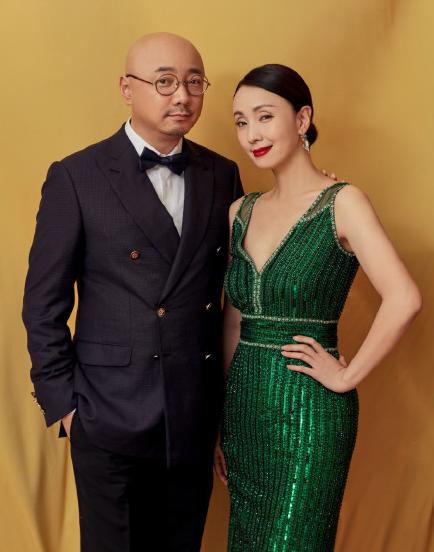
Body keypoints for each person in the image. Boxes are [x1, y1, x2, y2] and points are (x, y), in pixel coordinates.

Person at [22, 32, 244, 551]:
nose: (182, 96)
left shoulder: (222, 173)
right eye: (165, 82)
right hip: (107, 411)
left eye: (194, 82)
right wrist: (67, 408)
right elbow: (43, 304)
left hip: (193, 410)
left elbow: (234, 292)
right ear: (127, 88)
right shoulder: (77, 176)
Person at [214, 64, 422, 551]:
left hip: (309, 412)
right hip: (243, 411)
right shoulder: (240, 211)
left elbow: (405, 297)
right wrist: (220, 420)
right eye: (241, 122)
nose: (251, 134)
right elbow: (233, 322)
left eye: (265, 116)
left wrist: (347, 377)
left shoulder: (342, 202)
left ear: (302, 119)